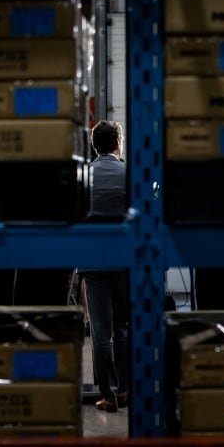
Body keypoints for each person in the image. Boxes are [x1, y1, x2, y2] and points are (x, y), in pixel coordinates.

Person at [80, 120, 129, 413]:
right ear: (118, 142)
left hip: (93, 263)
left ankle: (108, 395)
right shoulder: (130, 175)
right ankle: (124, 390)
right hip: (124, 261)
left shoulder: (84, 176)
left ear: (94, 146)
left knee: (101, 331)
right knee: (122, 328)